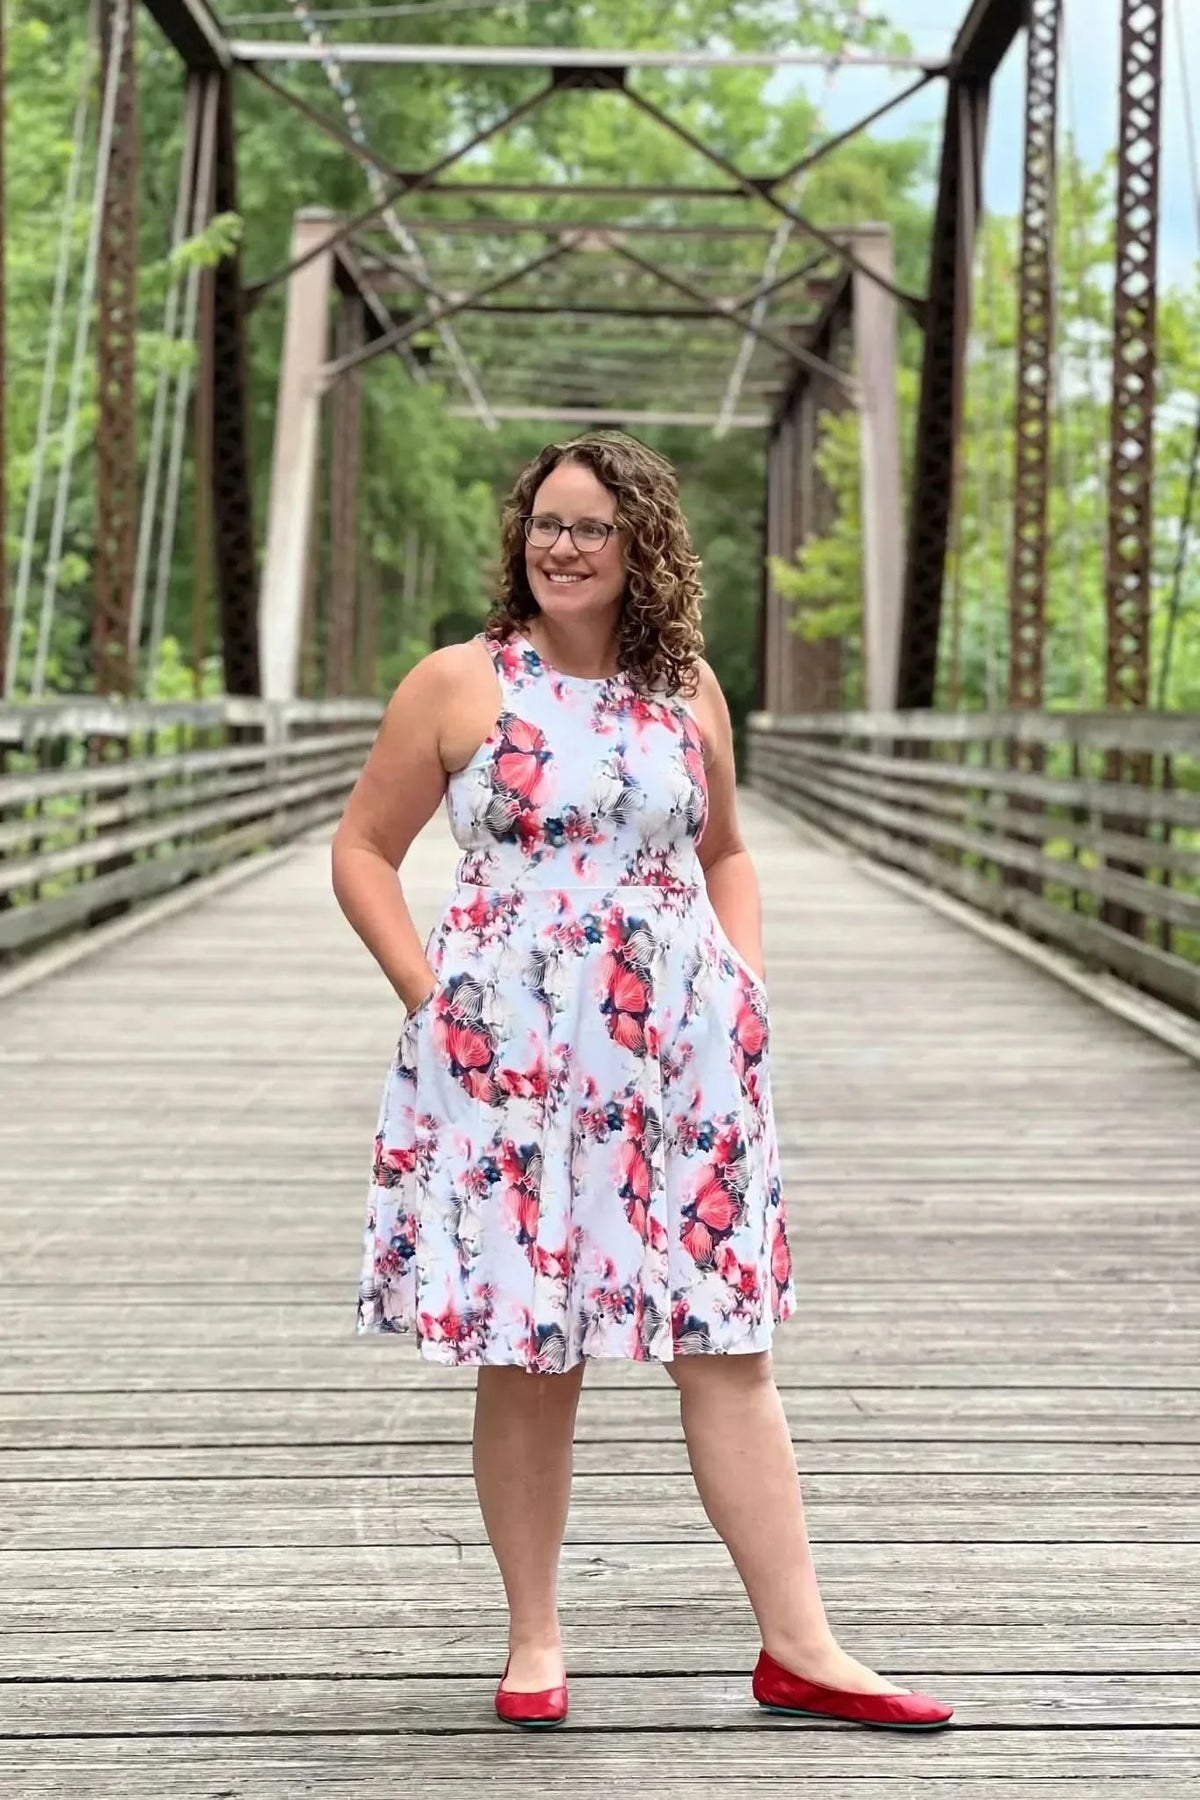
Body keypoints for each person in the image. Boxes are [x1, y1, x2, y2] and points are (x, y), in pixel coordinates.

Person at [331, 432, 953, 1734]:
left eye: (591, 528)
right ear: (522, 540)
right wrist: (430, 1002)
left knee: (728, 1343)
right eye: (546, 524)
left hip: (678, 1063)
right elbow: (363, 851)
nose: (563, 546)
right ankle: (535, 1640)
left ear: (640, 548)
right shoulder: (457, 683)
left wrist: (748, 985)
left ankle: (803, 1647)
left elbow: (726, 852)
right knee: (532, 1349)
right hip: (507, 1071)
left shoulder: (688, 691)